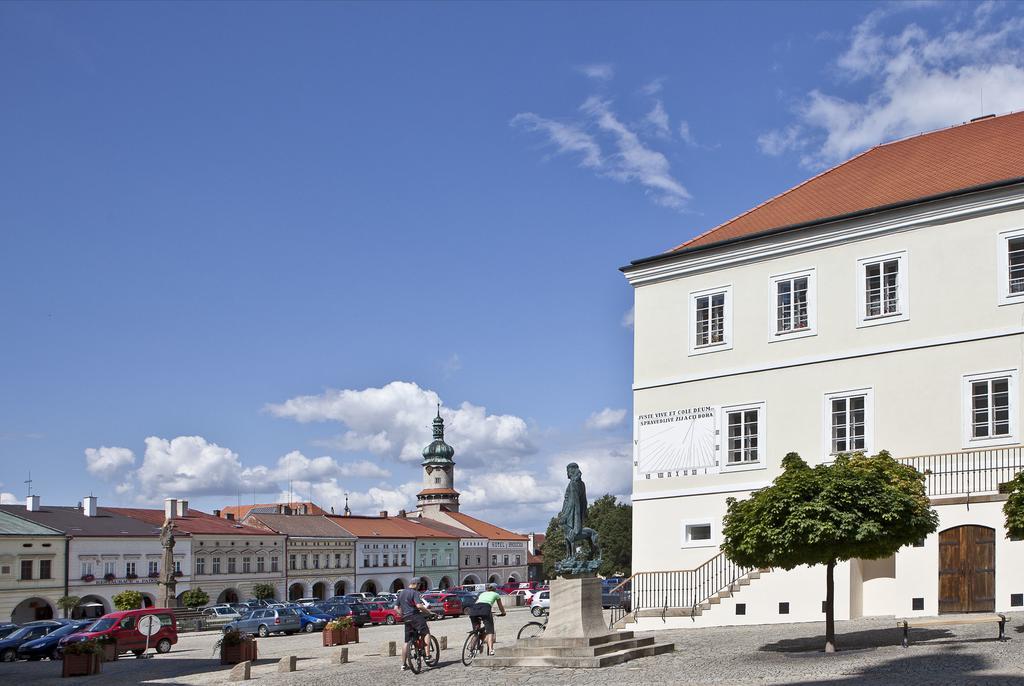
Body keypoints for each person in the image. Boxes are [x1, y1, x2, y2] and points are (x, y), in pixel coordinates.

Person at [397, 580, 432, 670]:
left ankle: (404, 665)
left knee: (407, 641)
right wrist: (429, 612)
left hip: (406, 618)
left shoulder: (401, 593)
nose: (419, 587)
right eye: (419, 585)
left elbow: (396, 608)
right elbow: (419, 606)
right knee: (426, 632)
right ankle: (428, 656)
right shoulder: (415, 592)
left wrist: (403, 616)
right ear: (416, 584)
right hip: (415, 616)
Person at [467, 583, 505, 656]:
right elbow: (500, 606)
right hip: (485, 610)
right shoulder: (496, 594)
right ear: (495, 589)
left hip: (474, 610)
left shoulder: (482, 594)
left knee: (476, 632)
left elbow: (478, 602)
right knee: (490, 631)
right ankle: (491, 650)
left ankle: (471, 650)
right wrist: (503, 613)